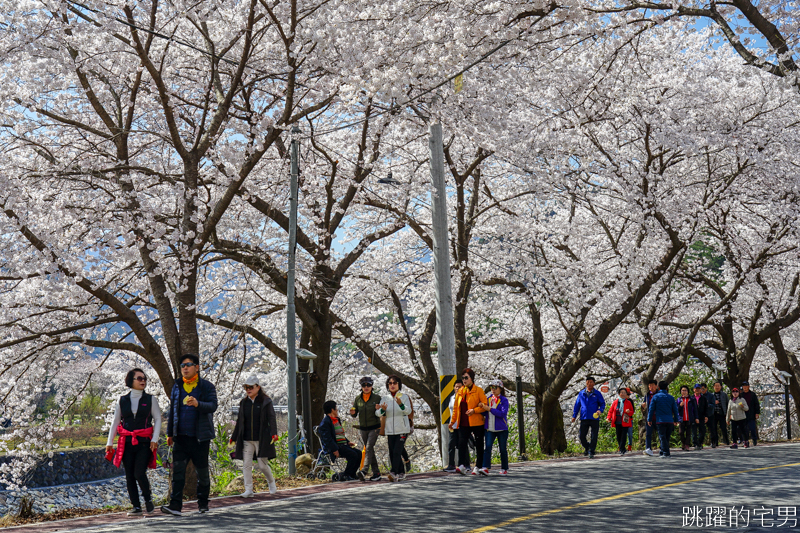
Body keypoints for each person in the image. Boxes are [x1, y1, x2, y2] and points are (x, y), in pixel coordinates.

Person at [162, 354, 218, 516]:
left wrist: (197, 404)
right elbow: (173, 410)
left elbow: (213, 406)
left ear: (197, 367)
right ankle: (175, 506)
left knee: (202, 473)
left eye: (189, 365)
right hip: (180, 437)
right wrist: (170, 433)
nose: (185, 368)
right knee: (178, 472)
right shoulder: (177, 386)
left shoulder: (206, 386)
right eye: (182, 365)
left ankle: (203, 503)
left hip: (200, 438)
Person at [106, 368, 161, 516]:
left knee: (139, 472)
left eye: (144, 378)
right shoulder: (122, 400)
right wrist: (109, 442)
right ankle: (136, 506)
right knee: (129, 475)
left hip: (144, 442)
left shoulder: (150, 399)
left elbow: (157, 419)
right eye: (139, 378)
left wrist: (155, 439)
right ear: (131, 381)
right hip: (126, 442)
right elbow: (115, 421)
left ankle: (148, 498)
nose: (143, 381)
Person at [231, 375, 279, 497]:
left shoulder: (265, 401)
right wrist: (234, 437)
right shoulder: (244, 403)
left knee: (262, 465)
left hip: (262, 438)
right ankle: (249, 490)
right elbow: (240, 421)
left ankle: (271, 482)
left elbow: (271, 418)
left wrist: (274, 433)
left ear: (258, 387)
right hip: (247, 439)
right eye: (246, 387)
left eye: (251, 387)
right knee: (246, 464)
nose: (248, 390)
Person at [449, 368, 488, 474]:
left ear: (472, 378)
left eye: (466, 378)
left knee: (479, 444)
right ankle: (461, 465)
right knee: (461, 443)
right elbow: (456, 409)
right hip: (463, 422)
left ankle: (478, 466)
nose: (464, 380)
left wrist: (474, 410)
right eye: (463, 378)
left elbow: (485, 405)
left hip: (477, 421)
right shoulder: (460, 392)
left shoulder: (478, 390)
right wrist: (452, 422)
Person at [376, 375, 412, 482]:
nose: (392, 385)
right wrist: (382, 410)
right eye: (390, 383)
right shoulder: (385, 398)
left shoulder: (404, 397)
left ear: (399, 385)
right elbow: (378, 413)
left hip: (402, 428)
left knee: (397, 451)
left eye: (394, 383)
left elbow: (408, 411)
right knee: (392, 451)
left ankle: (393, 472)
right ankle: (401, 472)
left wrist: (401, 404)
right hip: (390, 429)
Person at [349, 376, 383, 481]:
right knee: (370, 449)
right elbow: (355, 413)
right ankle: (376, 473)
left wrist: (380, 409)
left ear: (372, 386)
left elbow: (381, 412)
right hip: (363, 428)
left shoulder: (377, 398)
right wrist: (353, 414)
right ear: (361, 387)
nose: (366, 387)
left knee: (368, 448)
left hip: (375, 427)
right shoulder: (358, 399)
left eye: (368, 385)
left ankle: (364, 470)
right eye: (364, 385)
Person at [318, 400, 361, 480]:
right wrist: (334, 450)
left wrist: (348, 442)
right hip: (335, 447)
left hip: (342, 445)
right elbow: (327, 439)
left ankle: (352, 474)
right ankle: (346, 474)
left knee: (359, 453)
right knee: (353, 455)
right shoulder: (325, 423)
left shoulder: (336, 420)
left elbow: (339, 434)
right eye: (336, 408)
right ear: (332, 410)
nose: (337, 410)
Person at [478, 380, 509, 475]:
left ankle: (504, 468)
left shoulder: (504, 400)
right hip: (489, 428)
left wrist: (490, 409)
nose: (493, 389)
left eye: (495, 387)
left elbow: (502, 413)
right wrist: (481, 407)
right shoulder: (488, 399)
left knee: (502, 449)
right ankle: (485, 467)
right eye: (491, 387)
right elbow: (484, 413)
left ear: (500, 389)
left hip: (501, 429)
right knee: (487, 447)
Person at [571, 376, 606, 459]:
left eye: (591, 382)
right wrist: (574, 416)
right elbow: (577, 405)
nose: (589, 384)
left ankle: (591, 451)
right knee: (582, 436)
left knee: (594, 435)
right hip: (584, 417)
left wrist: (600, 410)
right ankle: (587, 447)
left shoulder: (597, 393)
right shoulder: (581, 393)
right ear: (586, 383)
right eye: (587, 382)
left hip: (594, 418)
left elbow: (602, 404)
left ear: (594, 383)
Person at [648, 381, 679, 458]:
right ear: (666, 388)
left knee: (662, 437)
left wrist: (649, 419)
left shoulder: (655, 397)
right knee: (666, 437)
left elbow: (651, 409)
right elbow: (675, 410)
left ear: (658, 387)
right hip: (669, 420)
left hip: (660, 420)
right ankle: (662, 451)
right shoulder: (671, 398)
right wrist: (676, 420)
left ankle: (666, 453)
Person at [607, 388, 634, 455]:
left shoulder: (628, 402)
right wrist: (608, 418)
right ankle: (622, 448)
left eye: (624, 393)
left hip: (625, 421)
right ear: (619, 394)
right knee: (618, 435)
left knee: (623, 435)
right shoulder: (615, 402)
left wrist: (629, 412)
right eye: (621, 392)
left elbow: (632, 412)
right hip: (617, 421)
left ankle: (622, 449)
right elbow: (611, 411)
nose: (623, 394)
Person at [444, 381, 463, 473]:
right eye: (456, 387)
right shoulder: (452, 398)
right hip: (453, 426)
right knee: (451, 445)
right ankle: (451, 464)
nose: (457, 388)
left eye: (459, 387)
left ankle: (463, 464)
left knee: (461, 446)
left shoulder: (464, 398)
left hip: (461, 425)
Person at [676, 385, 699, 451]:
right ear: (681, 391)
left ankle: (687, 445)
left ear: (688, 391)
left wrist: (696, 417)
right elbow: (675, 409)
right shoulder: (678, 400)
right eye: (683, 390)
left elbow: (695, 409)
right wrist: (680, 406)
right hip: (681, 419)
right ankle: (683, 443)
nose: (684, 392)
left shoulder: (691, 399)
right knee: (681, 432)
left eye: (685, 390)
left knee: (688, 433)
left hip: (689, 418)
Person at [641, 379, 659, 456]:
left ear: (656, 386)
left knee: (660, 434)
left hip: (658, 417)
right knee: (648, 434)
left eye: (652, 385)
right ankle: (648, 448)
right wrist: (642, 406)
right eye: (649, 386)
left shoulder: (659, 394)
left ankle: (663, 448)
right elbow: (644, 405)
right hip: (649, 417)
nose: (651, 387)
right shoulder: (647, 395)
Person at [740, 382, 760, 446]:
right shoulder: (741, 395)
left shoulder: (752, 394)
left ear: (749, 386)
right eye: (743, 386)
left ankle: (754, 439)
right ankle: (745, 441)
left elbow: (756, 404)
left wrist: (757, 413)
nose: (744, 387)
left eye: (746, 386)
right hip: (743, 414)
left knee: (752, 428)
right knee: (744, 428)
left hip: (751, 413)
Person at [710, 381, 730, 447]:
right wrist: (714, 402)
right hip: (714, 414)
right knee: (714, 428)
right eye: (715, 386)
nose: (717, 387)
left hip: (722, 413)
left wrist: (728, 413)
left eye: (718, 386)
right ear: (713, 387)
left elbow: (728, 404)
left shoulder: (724, 394)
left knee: (723, 428)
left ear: (721, 387)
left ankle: (726, 441)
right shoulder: (711, 395)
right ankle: (715, 442)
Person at [693, 384, 708, 450]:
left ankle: (700, 443)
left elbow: (706, 408)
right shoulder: (691, 398)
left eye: (699, 389)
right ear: (694, 389)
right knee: (694, 431)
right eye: (696, 389)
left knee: (702, 431)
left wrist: (706, 416)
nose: (697, 390)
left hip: (701, 416)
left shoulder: (703, 398)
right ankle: (695, 444)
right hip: (693, 417)